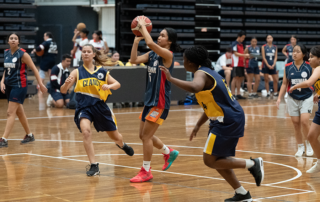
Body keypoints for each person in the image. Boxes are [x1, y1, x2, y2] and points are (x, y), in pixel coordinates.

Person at [159, 46, 264, 202]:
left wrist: (171, 79)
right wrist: (198, 124)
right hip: (226, 118)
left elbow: (195, 87)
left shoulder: (201, 73)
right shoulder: (207, 71)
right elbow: (211, 105)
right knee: (219, 160)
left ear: (191, 62)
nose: (183, 61)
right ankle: (242, 194)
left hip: (227, 119)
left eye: (185, 59)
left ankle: (253, 164)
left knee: (209, 160)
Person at [60, 44, 134, 176]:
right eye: (84, 52)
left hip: (100, 107)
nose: (86, 54)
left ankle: (122, 145)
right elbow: (63, 91)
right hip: (84, 107)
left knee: (115, 136)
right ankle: (94, 165)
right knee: (86, 132)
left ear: (94, 55)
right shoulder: (76, 72)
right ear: (81, 55)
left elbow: (118, 84)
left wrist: (108, 85)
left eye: (89, 52)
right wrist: (65, 84)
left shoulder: (101, 71)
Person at [129, 16, 180, 182]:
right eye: (159, 35)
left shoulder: (168, 55)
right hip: (149, 100)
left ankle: (146, 170)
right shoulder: (152, 54)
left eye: (163, 36)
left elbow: (151, 43)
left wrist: (143, 27)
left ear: (170, 41)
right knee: (142, 135)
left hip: (160, 102)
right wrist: (137, 41)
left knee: (146, 137)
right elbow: (133, 60)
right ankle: (168, 152)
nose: (159, 37)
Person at [0, 33, 47, 148]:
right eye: (11, 38)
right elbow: (7, 69)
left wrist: (40, 83)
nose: (13, 40)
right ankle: (29, 135)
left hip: (19, 85)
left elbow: (35, 69)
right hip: (9, 85)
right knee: (19, 112)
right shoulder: (6, 52)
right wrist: (2, 81)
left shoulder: (23, 54)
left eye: (15, 38)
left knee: (10, 112)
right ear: (8, 41)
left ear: (18, 41)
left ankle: (4, 139)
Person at [277, 43, 314, 157]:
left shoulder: (309, 66)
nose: (294, 53)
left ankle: (309, 145)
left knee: (304, 121)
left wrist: (317, 93)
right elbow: (284, 84)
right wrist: (279, 98)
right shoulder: (288, 66)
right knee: (296, 124)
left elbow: (315, 81)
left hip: (307, 97)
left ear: (303, 54)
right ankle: (300, 146)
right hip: (292, 98)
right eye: (293, 51)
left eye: (298, 51)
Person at [289, 46, 320, 173]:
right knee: (311, 136)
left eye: (312, 56)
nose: (310, 58)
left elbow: (308, 83)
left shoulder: (318, 68)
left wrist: (295, 86)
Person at [231, 31, 249, 99]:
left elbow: (242, 53)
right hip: (236, 63)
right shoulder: (234, 44)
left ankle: (238, 93)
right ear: (239, 37)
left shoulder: (241, 44)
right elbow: (235, 53)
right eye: (242, 38)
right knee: (235, 78)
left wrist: (245, 57)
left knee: (240, 78)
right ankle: (232, 94)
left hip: (241, 63)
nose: (243, 39)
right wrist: (245, 55)